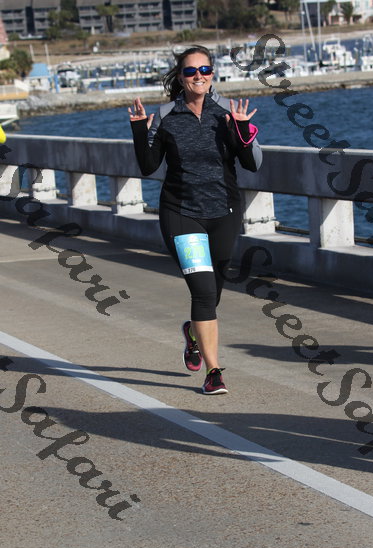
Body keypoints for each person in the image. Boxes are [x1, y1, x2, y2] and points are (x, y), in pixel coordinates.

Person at [129, 45, 262, 395]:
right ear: (180, 76)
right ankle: (214, 371)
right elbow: (148, 166)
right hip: (181, 214)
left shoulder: (228, 113)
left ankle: (192, 333)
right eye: (190, 71)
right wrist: (140, 130)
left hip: (224, 214)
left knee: (213, 290)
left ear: (213, 74)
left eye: (205, 70)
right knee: (203, 292)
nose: (198, 76)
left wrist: (242, 131)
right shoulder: (167, 116)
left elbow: (251, 165)